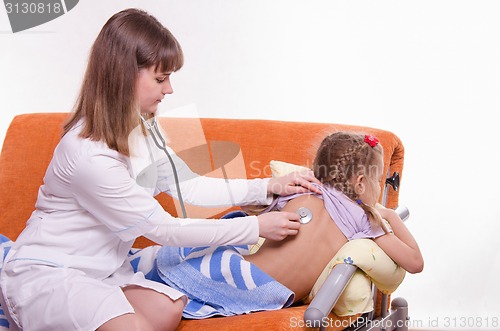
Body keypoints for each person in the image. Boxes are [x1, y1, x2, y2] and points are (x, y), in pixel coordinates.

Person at [0, 8, 321, 331]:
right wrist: (256, 227)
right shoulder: (88, 154)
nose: (169, 90)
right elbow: (163, 229)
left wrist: (267, 187)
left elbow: (190, 188)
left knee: (168, 309)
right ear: (123, 75)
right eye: (160, 78)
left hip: (101, 271)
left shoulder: (143, 127)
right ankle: (27, 316)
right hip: (48, 272)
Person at [151, 131, 424, 318]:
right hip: (263, 291)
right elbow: (414, 262)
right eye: (379, 181)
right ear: (361, 182)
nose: (379, 188)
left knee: (157, 273)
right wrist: (390, 216)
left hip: (238, 271)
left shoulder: (301, 192)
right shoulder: (366, 220)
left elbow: (249, 208)